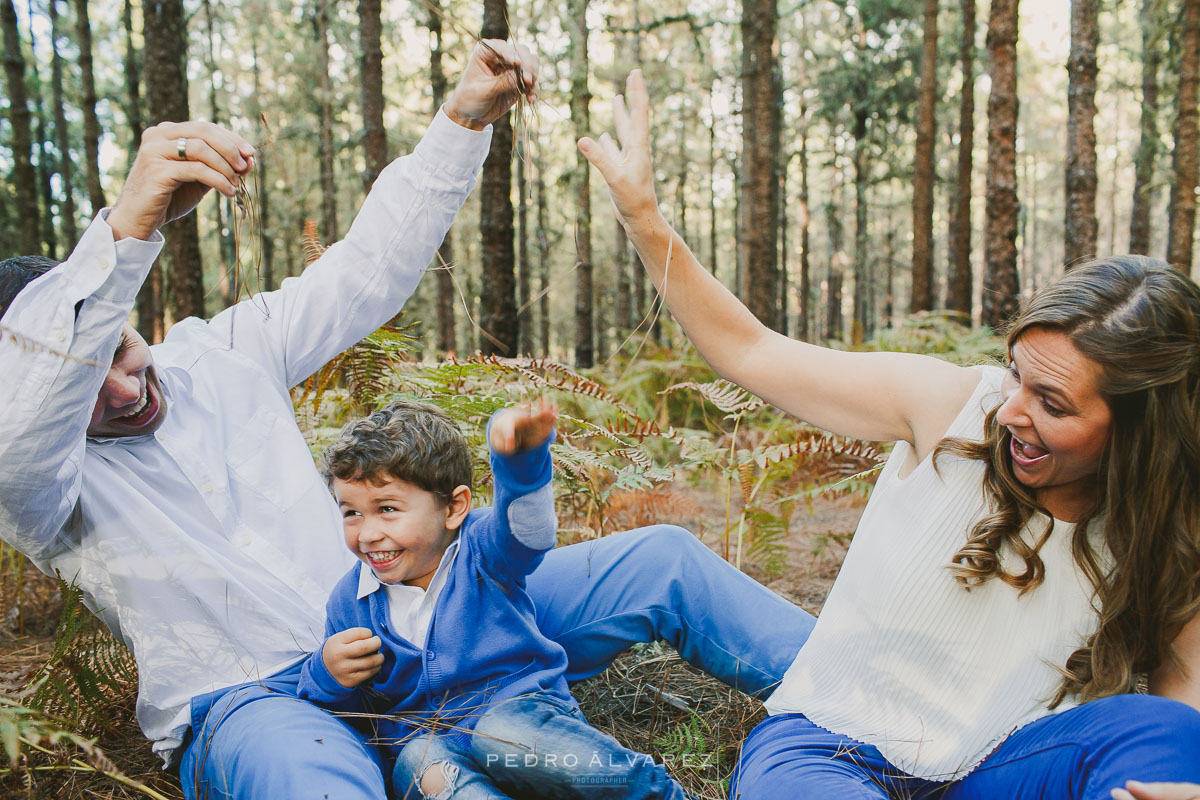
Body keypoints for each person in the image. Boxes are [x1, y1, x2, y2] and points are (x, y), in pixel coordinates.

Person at [0, 44, 812, 799]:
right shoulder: (41, 487)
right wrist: (124, 232)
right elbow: (27, 427)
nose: (122, 383)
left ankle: (870, 700)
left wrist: (462, 120)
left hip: (431, 612)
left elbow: (363, 273)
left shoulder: (219, 356)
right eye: (83, 378)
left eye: (119, 342)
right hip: (261, 700)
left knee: (661, 560)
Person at [579, 69, 1200, 799]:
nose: (1011, 412)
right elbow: (751, 350)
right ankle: (438, 645)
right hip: (832, 745)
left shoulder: (1173, 529)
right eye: (1015, 374)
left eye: (1054, 404)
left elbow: (1181, 695)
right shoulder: (948, 406)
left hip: (994, 768)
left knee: (1167, 735)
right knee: (665, 560)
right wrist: (645, 220)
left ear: (1140, 431)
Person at [296, 398, 688, 799]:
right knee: (419, 761)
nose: (368, 533)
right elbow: (338, 705)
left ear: (454, 507)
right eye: (351, 513)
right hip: (437, 748)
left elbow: (529, 534)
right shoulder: (351, 601)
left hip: (522, 723)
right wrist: (327, 674)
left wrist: (521, 464)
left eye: (388, 509)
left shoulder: (483, 550)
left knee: (502, 734)